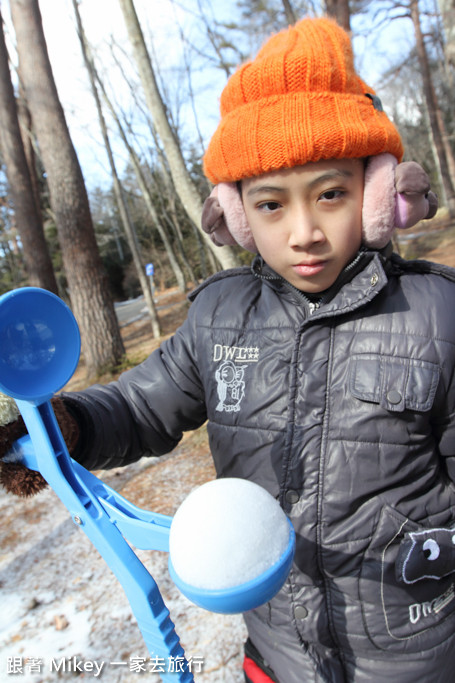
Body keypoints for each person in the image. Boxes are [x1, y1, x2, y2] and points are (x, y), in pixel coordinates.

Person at [1, 16, 455, 683]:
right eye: (270, 205)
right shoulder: (220, 316)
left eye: (330, 194)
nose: (303, 232)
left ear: (377, 191)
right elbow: (142, 405)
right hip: (277, 653)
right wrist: (67, 427)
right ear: (234, 214)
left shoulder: (434, 315)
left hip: (415, 657)